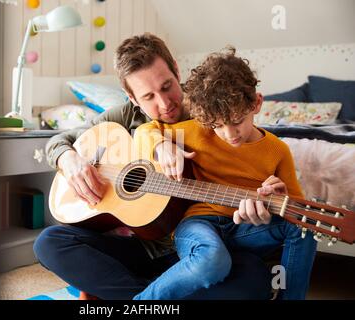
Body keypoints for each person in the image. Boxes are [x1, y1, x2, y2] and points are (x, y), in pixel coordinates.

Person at [33, 33, 272, 300]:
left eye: (167, 86)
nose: (164, 103)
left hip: (199, 251)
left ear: (176, 70)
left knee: (255, 278)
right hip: (139, 250)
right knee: (49, 243)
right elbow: (59, 140)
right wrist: (69, 159)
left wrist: (257, 201)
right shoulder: (123, 117)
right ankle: (153, 296)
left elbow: (252, 159)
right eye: (148, 96)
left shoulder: (211, 110)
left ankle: (142, 295)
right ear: (132, 97)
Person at [133, 46, 317, 300]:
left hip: (245, 229)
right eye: (218, 126)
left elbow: (295, 210)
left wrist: (280, 199)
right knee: (212, 260)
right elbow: (143, 132)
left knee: (305, 226)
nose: (230, 134)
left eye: (236, 120)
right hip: (199, 224)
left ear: (256, 103)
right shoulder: (198, 131)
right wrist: (161, 145)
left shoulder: (278, 150)